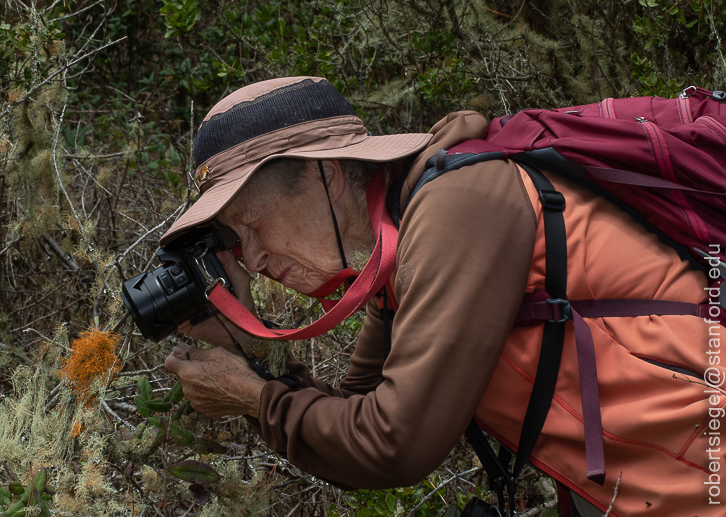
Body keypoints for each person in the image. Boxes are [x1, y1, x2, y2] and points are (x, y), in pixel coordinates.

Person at [162, 76, 724, 517]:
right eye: (238, 242)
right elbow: (351, 426)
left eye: (254, 224)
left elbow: (393, 445)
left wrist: (253, 398)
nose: (255, 259)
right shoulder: (396, 249)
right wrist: (247, 353)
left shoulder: (458, 206)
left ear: (325, 177)